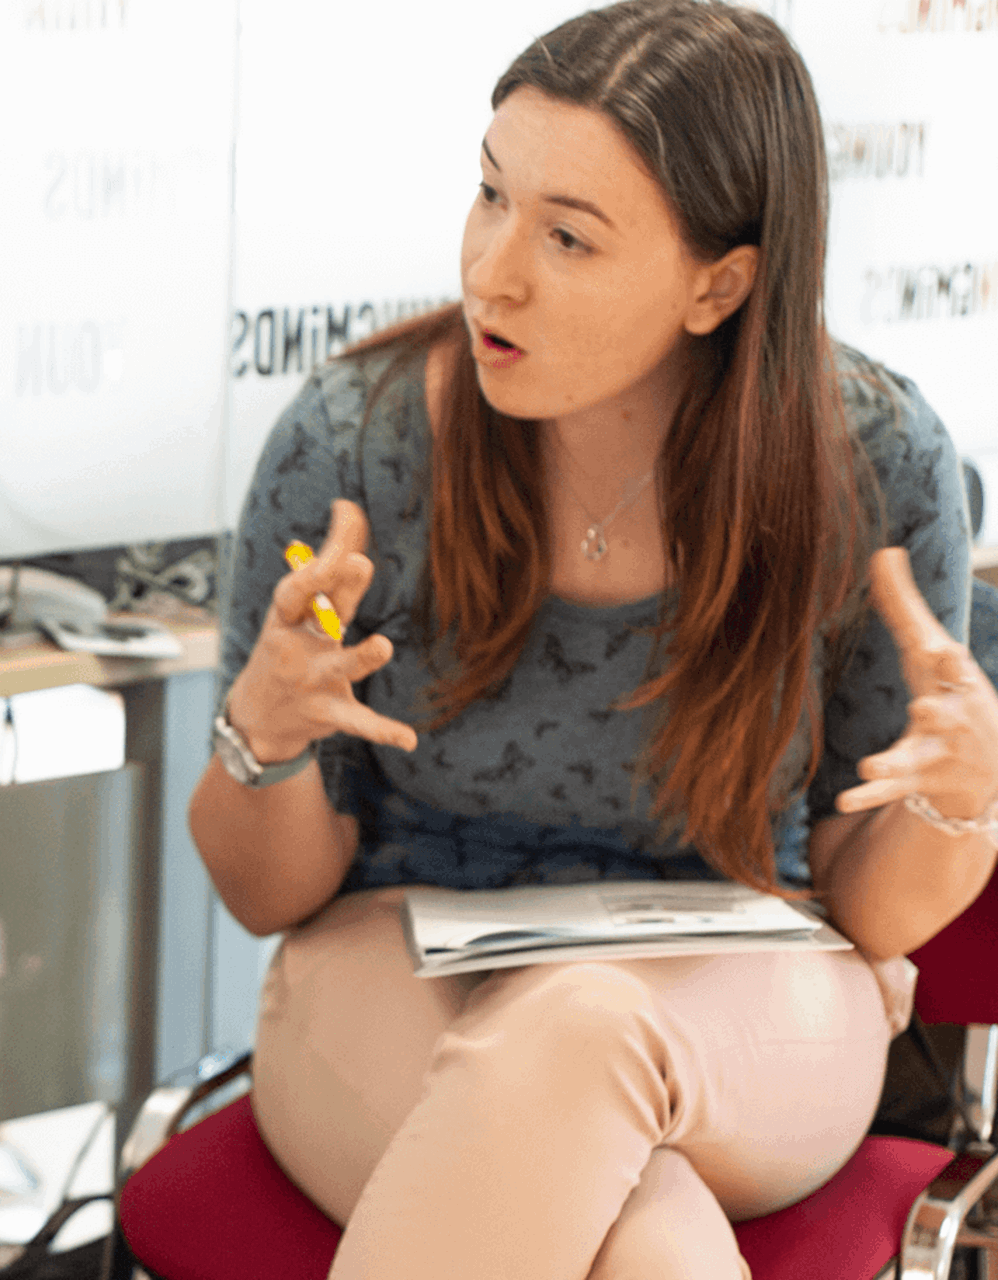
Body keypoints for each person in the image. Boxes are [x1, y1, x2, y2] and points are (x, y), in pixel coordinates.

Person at [191, 2, 995, 1276]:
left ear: (720, 283)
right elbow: (260, 891)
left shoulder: (873, 459)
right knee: (647, 1231)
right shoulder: (362, 442)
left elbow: (874, 909)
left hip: (745, 987)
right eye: (491, 196)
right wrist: (267, 739)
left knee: (584, 1027)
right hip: (393, 964)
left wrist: (961, 803)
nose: (492, 271)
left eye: (567, 236)